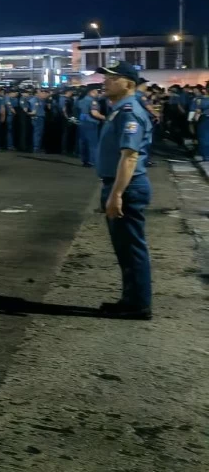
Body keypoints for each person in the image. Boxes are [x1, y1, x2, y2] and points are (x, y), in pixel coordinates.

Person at [95, 63, 153, 319]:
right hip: (119, 184)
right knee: (125, 249)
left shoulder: (129, 112)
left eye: (111, 78)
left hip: (127, 187)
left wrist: (116, 194)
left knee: (131, 248)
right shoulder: (118, 110)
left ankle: (138, 304)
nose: (104, 82)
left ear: (127, 83)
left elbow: (129, 157)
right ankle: (131, 299)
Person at [191, 88, 209, 162]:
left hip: (205, 118)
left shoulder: (201, 99)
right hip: (205, 118)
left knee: (204, 137)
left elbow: (198, 110)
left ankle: (206, 155)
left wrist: (194, 118)